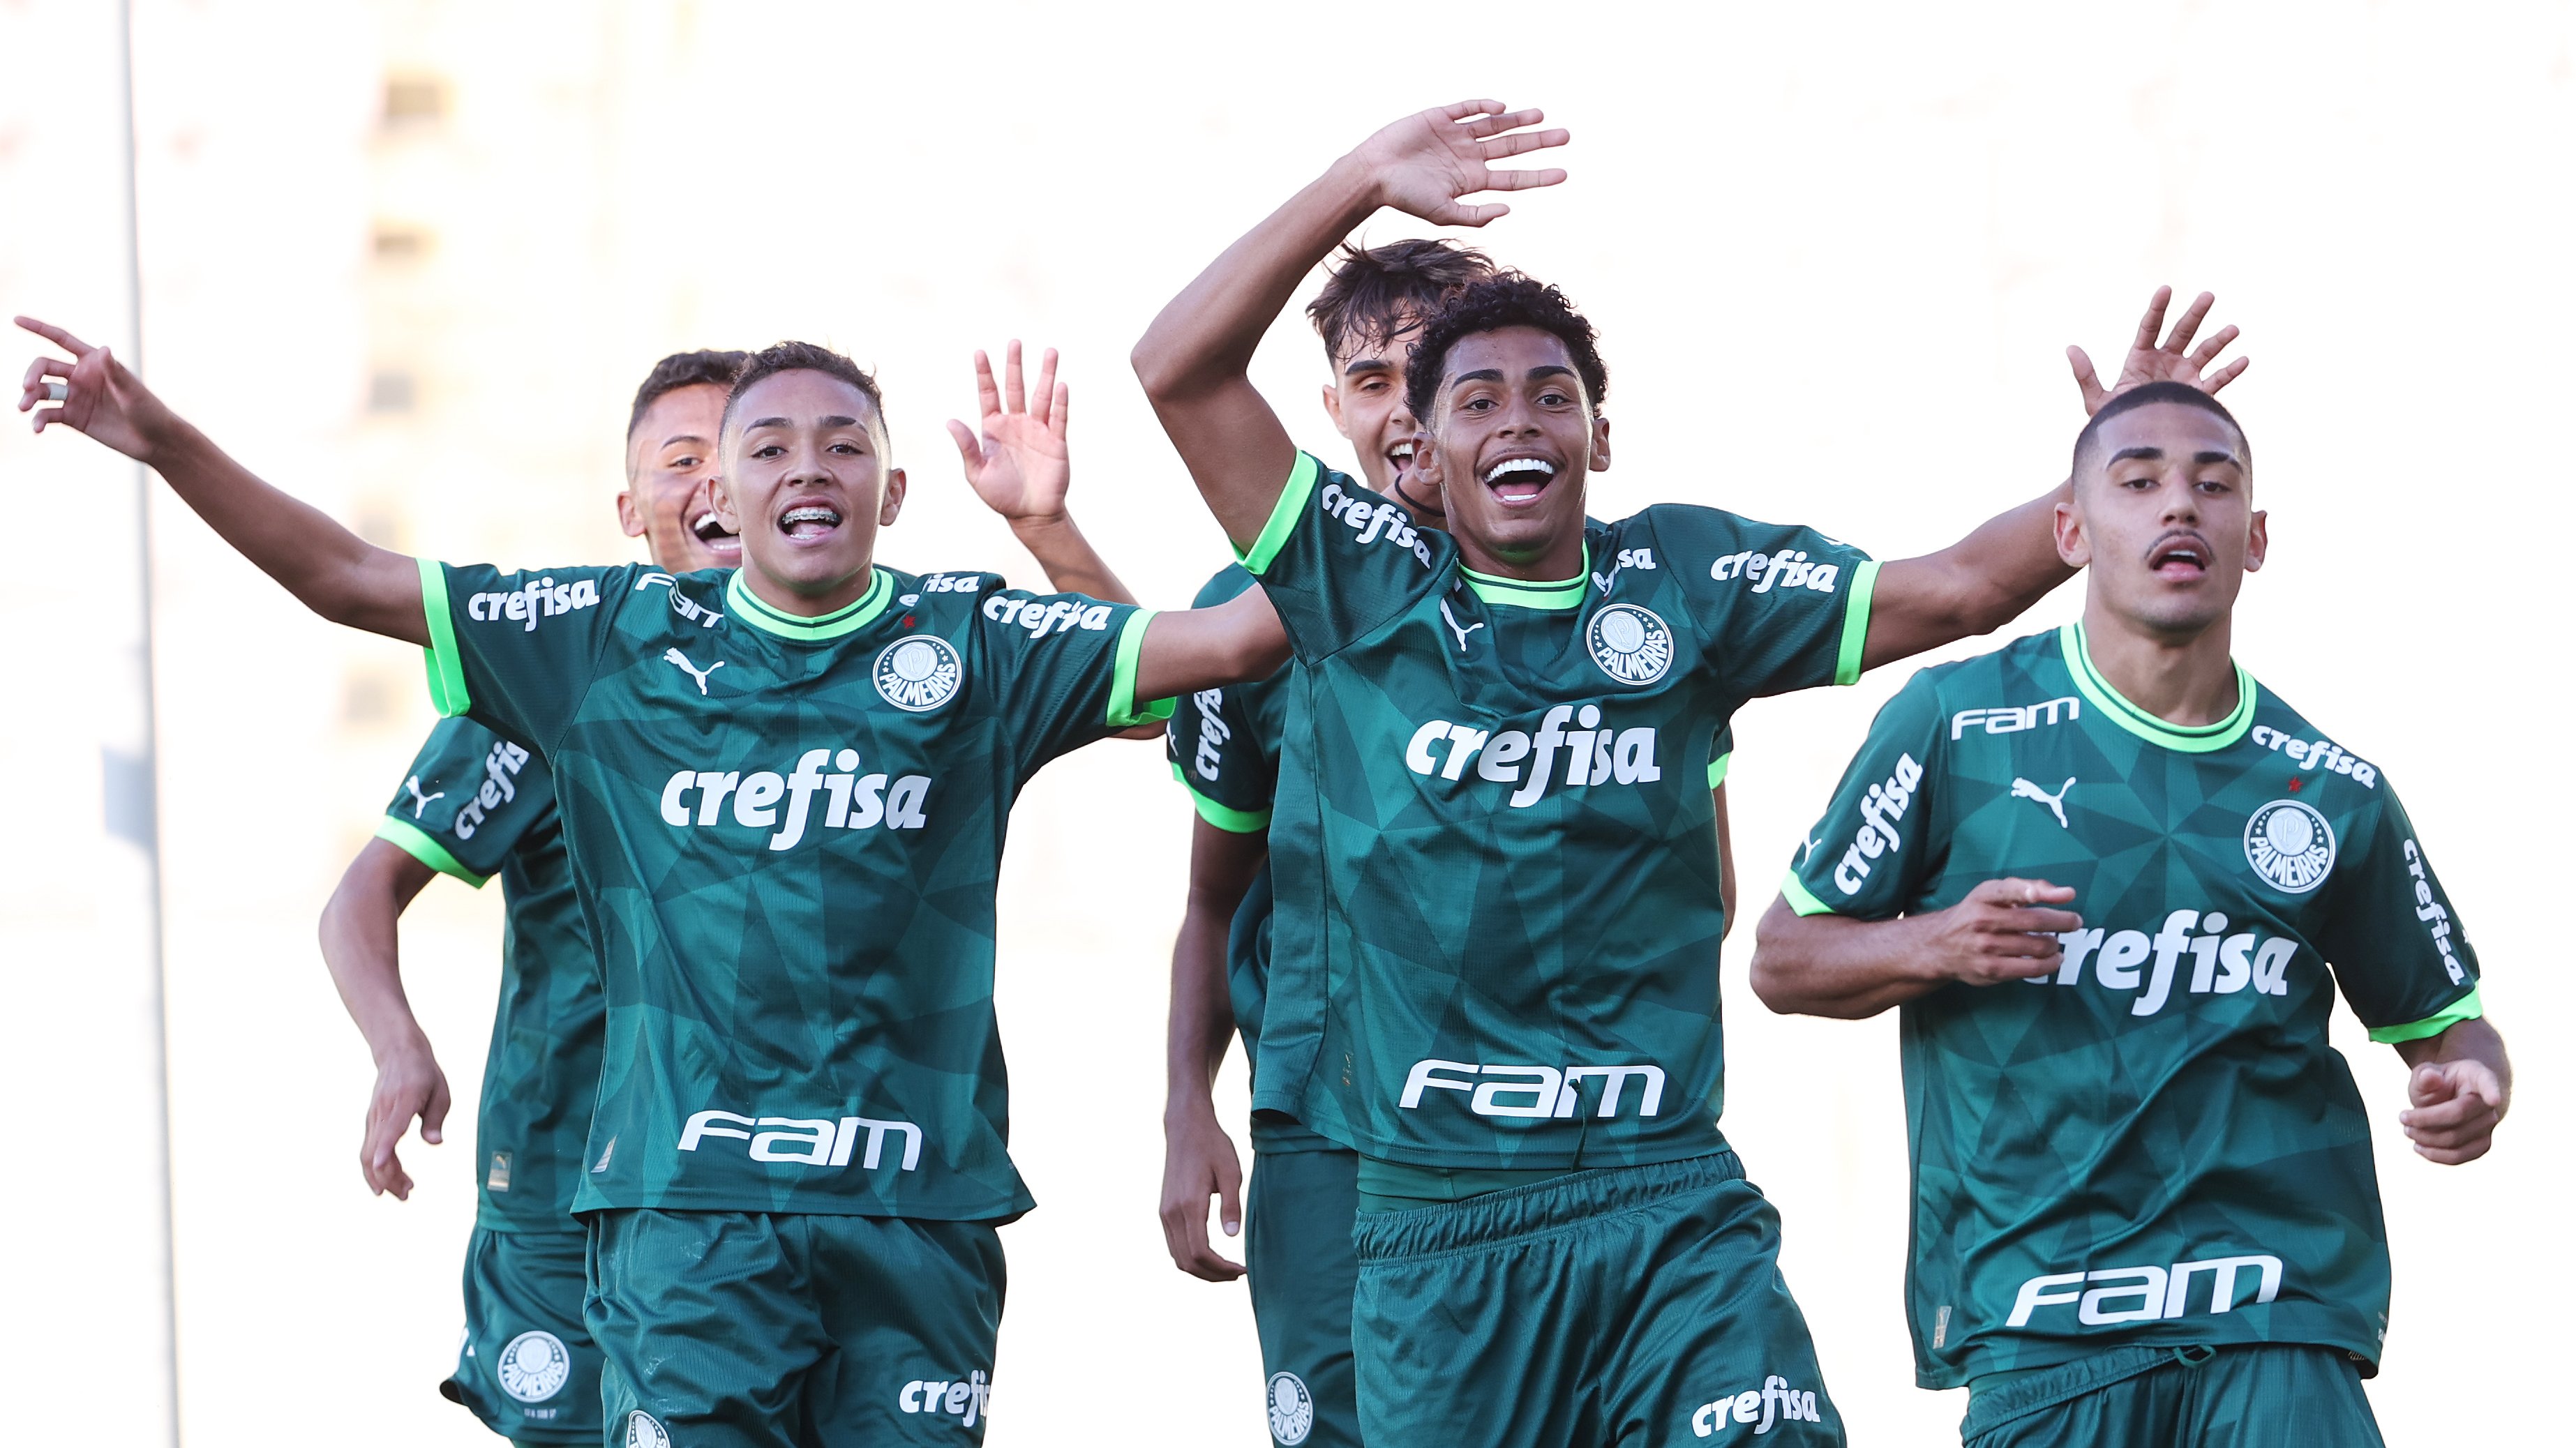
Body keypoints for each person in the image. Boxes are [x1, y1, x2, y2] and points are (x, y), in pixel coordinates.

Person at [1128, 98, 2245, 1446]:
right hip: (1442, 1230)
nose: (1520, 420)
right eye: (1477, 401)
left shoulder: (1689, 582)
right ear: (1421, 446)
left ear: (1599, 436)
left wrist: (2114, 480)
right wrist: (1361, 177)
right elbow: (1178, 369)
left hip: (1669, 1200)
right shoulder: (1352, 588)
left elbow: (1952, 586)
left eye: (1554, 395)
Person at [17, 322, 1283, 1447]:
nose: (807, 470)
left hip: (912, 1211)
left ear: (893, 490)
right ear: (720, 494)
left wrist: (1351, 520)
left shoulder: (971, 640)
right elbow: (349, 579)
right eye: (768, 448)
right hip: (683, 1220)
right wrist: (165, 440)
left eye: (843, 447)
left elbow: (1218, 650)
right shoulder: (601, 640)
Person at [1748, 381, 2508, 1447]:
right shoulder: (1953, 722)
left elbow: (2447, 1023)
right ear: (2071, 531)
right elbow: (1783, 960)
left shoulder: (2332, 790)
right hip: (2043, 1327)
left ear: (2256, 540)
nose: (2180, 505)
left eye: (2214, 485)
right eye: (2139, 482)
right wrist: (1938, 942)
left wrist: (2472, 1083)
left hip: (2275, 1318)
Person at [1155, 237, 1745, 1448]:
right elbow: (1212, 893)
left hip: (1562, 1142)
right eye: (1371, 382)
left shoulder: (1631, 610)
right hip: (1324, 1124)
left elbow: (1705, 890)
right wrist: (1185, 1107)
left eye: (1429, 376)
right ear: (1336, 407)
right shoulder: (1254, 617)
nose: (1401, 414)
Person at [314, 349, 744, 1445]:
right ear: (630, 510)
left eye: (741, 451)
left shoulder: (856, 680)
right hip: (563, 1186)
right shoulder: (556, 677)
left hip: (762, 1195)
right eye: (681, 459)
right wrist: (398, 1047)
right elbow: (363, 895)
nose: (714, 481)